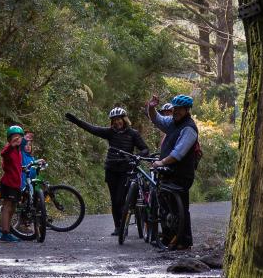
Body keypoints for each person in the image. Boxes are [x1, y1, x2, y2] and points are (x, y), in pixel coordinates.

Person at [65, 107, 150, 235]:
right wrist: (76, 121)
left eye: (119, 119)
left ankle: (126, 219)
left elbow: (145, 149)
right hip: (111, 169)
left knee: (120, 200)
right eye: (114, 120)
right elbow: (92, 128)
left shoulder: (133, 134)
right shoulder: (110, 132)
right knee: (114, 200)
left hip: (125, 170)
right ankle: (118, 227)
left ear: (124, 119)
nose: (117, 122)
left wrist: (138, 156)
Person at [146, 94, 198, 250]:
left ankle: (183, 240)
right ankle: (169, 237)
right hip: (168, 171)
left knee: (179, 207)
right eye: (175, 108)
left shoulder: (189, 128)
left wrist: (161, 162)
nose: (176, 111)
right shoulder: (173, 122)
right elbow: (158, 120)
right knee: (165, 205)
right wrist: (151, 107)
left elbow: (178, 153)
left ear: (187, 110)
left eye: (180, 109)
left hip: (182, 173)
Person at [0, 126, 26, 242]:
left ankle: (8, 230)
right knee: (7, 206)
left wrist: (23, 168)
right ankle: (5, 232)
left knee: (13, 208)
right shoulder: (9, 149)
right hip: (8, 183)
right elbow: (3, 153)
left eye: (19, 137)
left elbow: (16, 166)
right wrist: (11, 145)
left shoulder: (18, 152)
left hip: (16, 184)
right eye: (14, 137)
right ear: (9, 139)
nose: (17, 139)